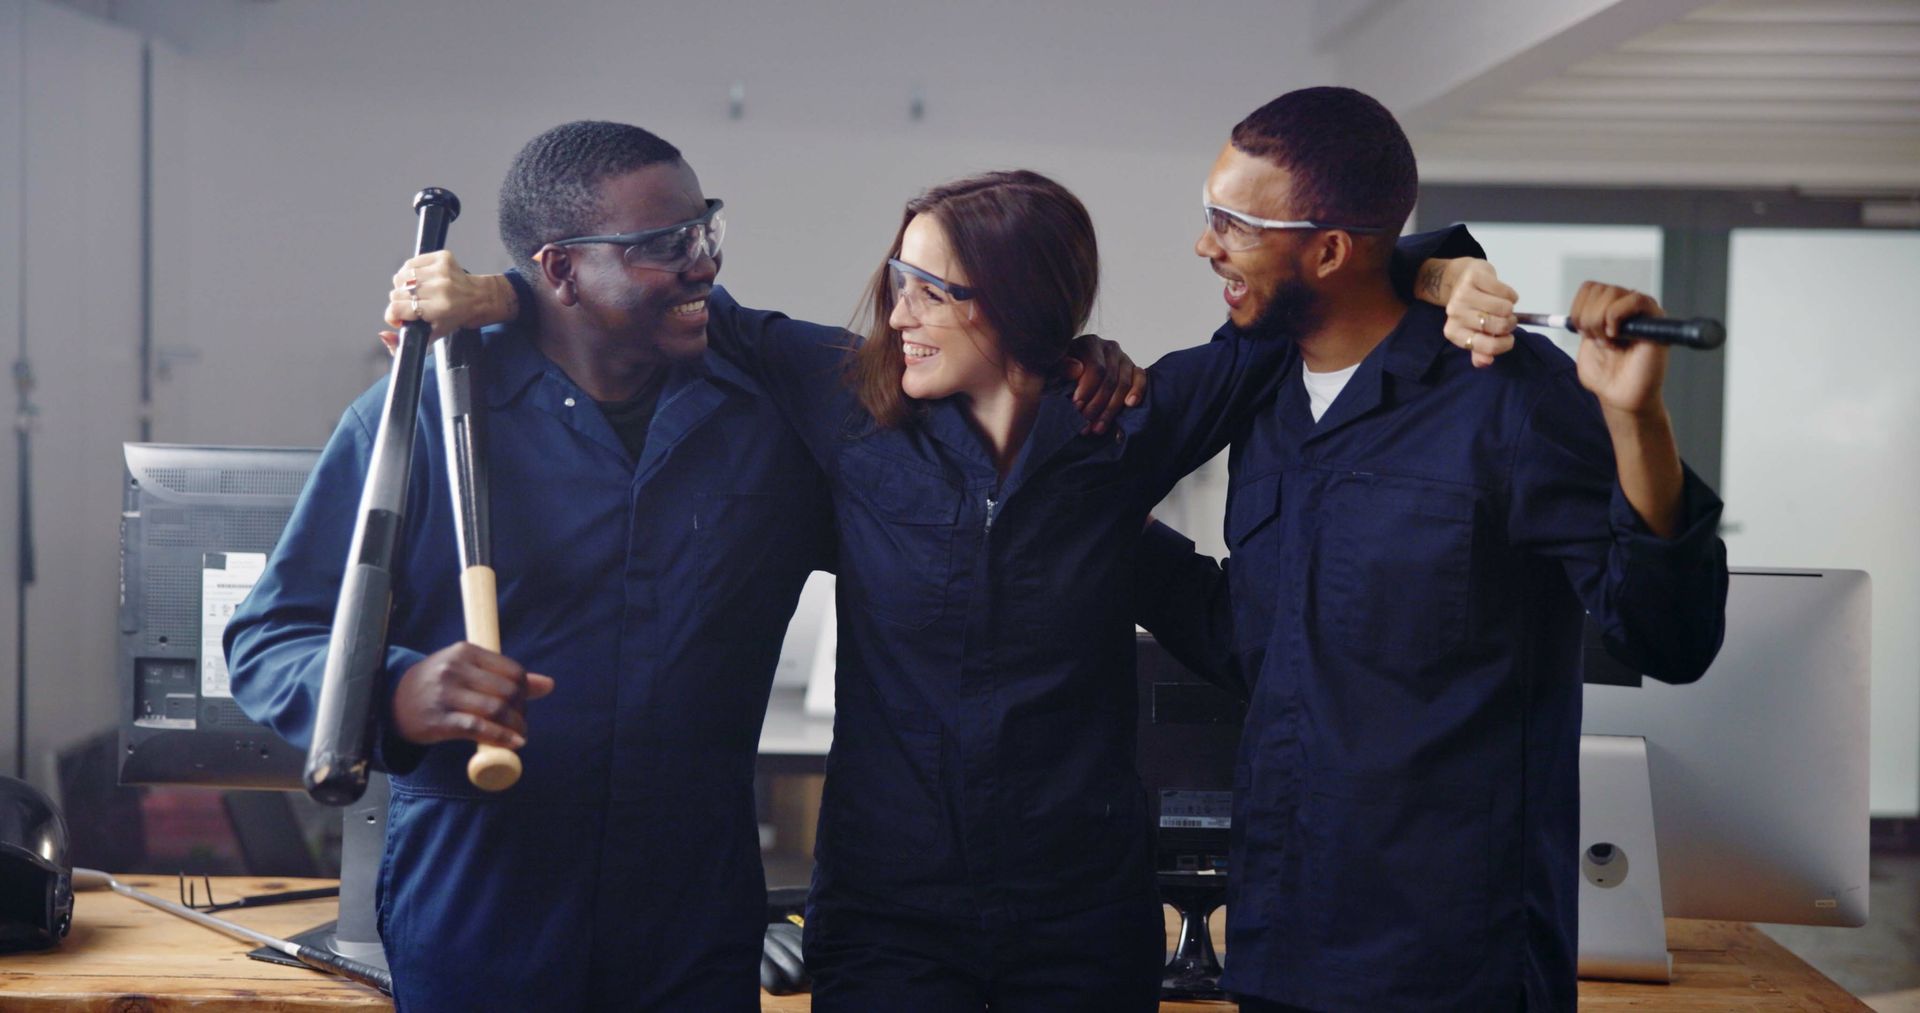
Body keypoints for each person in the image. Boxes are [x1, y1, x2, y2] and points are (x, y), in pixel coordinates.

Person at [399, 167, 1487, 1011]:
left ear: (1014, 304)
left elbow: (1309, 298)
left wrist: (1444, 273)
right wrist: (494, 292)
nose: (898, 312)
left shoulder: (1127, 427)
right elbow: (676, 305)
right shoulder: (850, 409)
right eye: (897, 280)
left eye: (931, 289)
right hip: (889, 916)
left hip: (1082, 919)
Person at [1133, 87, 1731, 1012]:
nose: (1207, 243)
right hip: (1276, 947)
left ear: (1329, 249)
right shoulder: (1267, 398)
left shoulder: (1509, 397)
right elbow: (1256, 642)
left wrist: (1637, 420)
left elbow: (1670, 635)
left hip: (1453, 969)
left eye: (1233, 222)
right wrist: (1105, 537)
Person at [225, 121, 841, 1012]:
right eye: (663, 246)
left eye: (705, 228)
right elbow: (270, 636)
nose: (703, 262)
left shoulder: (767, 422)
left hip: (692, 920)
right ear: (560, 271)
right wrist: (396, 690)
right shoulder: (422, 415)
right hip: (482, 912)